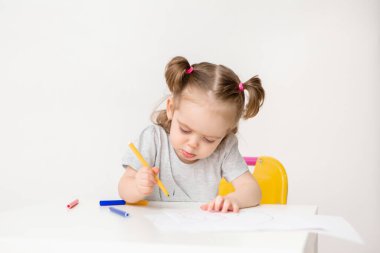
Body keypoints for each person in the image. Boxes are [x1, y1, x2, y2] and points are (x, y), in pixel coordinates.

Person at [118, 56, 265, 213]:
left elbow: (253, 190)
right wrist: (137, 187)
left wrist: (233, 199)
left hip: (199, 233)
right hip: (152, 232)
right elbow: (123, 189)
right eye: (185, 130)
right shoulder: (153, 140)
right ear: (171, 109)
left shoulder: (225, 148)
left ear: (225, 134)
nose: (192, 144)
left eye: (209, 139)